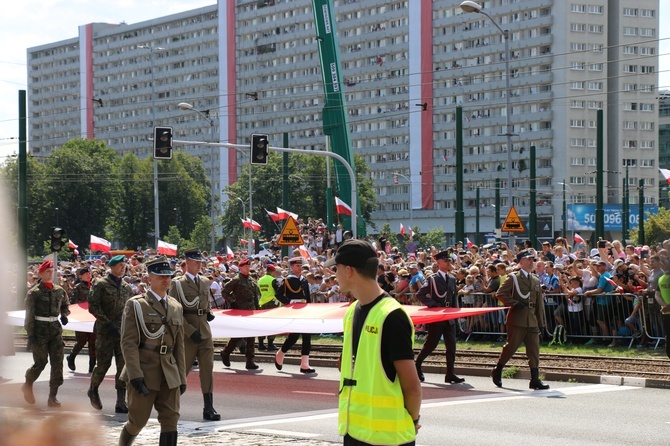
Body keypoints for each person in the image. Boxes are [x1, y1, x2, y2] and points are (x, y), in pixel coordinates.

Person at [327, 239, 422, 446]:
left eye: (337, 269)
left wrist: (413, 421)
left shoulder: (392, 315)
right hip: (355, 432)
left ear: (349, 270)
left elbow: (412, 386)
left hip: (389, 439)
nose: (335, 275)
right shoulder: (352, 311)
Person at [118, 256, 187, 446]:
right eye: (160, 276)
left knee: (171, 421)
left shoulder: (176, 306)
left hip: (169, 372)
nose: (166, 279)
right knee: (137, 422)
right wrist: (135, 374)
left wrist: (182, 376)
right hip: (144, 371)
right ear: (149, 279)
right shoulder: (137, 304)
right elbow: (128, 343)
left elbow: (179, 345)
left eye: (168, 276)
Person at [168, 248, 220, 421]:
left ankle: (209, 407)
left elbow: (204, 303)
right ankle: (170, 405)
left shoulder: (205, 281)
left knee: (207, 370)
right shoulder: (177, 284)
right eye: (196, 262)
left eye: (200, 262)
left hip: (204, 332)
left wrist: (209, 312)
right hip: (187, 334)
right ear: (187, 263)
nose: (199, 265)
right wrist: (190, 330)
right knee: (181, 372)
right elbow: (174, 311)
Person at [491, 250, 550, 390]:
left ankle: (534, 379)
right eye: (528, 259)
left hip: (532, 321)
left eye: (532, 259)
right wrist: (515, 303)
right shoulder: (514, 278)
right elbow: (500, 294)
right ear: (521, 262)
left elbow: (539, 304)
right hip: (517, 319)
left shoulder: (535, 280)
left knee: (534, 350)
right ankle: (498, 369)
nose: (531, 262)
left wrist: (541, 323)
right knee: (511, 347)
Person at [87, 254, 134, 413]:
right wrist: (107, 322)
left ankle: (121, 401)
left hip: (122, 333)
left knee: (122, 368)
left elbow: (129, 309)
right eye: (120, 265)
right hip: (105, 331)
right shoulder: (100, 284)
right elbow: (93, 306)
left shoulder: (126, 287)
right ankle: (93, 389)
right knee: (103, 365)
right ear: (112, 267)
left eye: (124, 265)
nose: (123, 268)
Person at [22, 260, 70, 407]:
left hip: (55, 331)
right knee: (41, 363)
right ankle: (28, 383)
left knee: (57, 364)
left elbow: (66, 305)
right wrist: (30, 335)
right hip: (39, 332)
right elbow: (29, 316)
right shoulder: (34, 293)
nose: (51, 273)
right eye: (47, 271)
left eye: (52, 271)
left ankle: (52, 397)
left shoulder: (59, 290)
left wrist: (64, 314)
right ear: (41, 274)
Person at [414, 250, 464, 384]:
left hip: (449, 317)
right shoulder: (432, 279)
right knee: (431, 345)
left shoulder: (452, 279)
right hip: (437, 317)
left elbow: (454, 300)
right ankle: (417, 365)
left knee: (451, 346)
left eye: (449, 261)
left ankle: (450, 373)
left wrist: (456, 318)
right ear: (439, 263)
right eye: (446, 261)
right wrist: (433, 304)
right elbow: (420, 294)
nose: (448, 263)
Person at [274, 257, 315, 373]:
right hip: (293, 311)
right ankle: (281, 353)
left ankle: (305, 364)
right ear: (292, 267)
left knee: (307, 336)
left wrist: (310, 309)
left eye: (300, 265)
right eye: (297, 266)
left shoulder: (304, 280)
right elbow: (278, 295)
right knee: (294, 336)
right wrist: (289, 301)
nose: (300, 267)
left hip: (304, 310)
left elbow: (307, 297)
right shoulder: (287, 280)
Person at [220, 258, 261, 370]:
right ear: (240, 268)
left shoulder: (251, 280)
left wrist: (257, 310)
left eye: (249, 267)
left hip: (251, 311)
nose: (248, 268)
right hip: (240, 312)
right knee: (237, 336)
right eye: (246, 267)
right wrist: (232, 302)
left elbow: (255, 297)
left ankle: (250, 361)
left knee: (251, 337)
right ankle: (226, 352)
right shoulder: (236, 280)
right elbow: (224, 292)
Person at [67, 266, 97, 373]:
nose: (89, 275)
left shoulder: (94, 287)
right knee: (81, 341)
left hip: (92, 318)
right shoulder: (78, 287)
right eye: (86, 274)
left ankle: (92, 367)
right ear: (81, 276)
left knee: (93, 343)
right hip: (82, 319)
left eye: (90, 274)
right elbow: (73, 303)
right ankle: (71, 357)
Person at [257, 263, 282, 351]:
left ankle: (260, 344)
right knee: (272, 324)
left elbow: (259, 292)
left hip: (262, 303)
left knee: (262, 324)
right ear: (273, 271)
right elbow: (278, 292)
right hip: (272, 304)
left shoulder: (260, 280)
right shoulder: (273, 280)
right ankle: (270, 344)